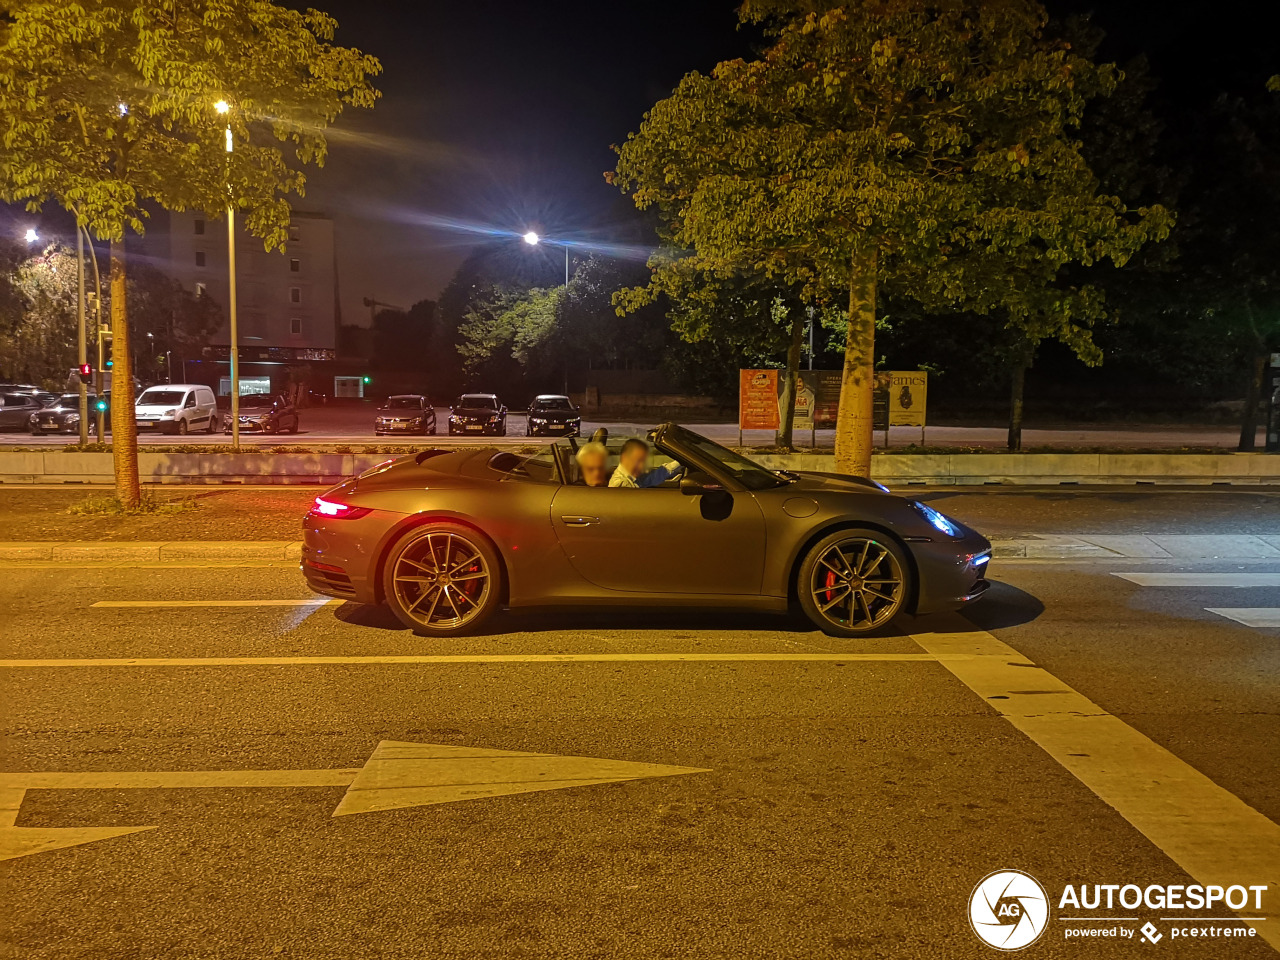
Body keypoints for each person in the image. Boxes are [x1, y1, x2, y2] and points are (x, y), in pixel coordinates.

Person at [609, 438, 683, 488]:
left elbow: (656, 476)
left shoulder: (634, 477)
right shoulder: (620, 485)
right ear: (625, 458)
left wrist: (681, 461)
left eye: (643, 461)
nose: (642, 466)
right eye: (638, 461)